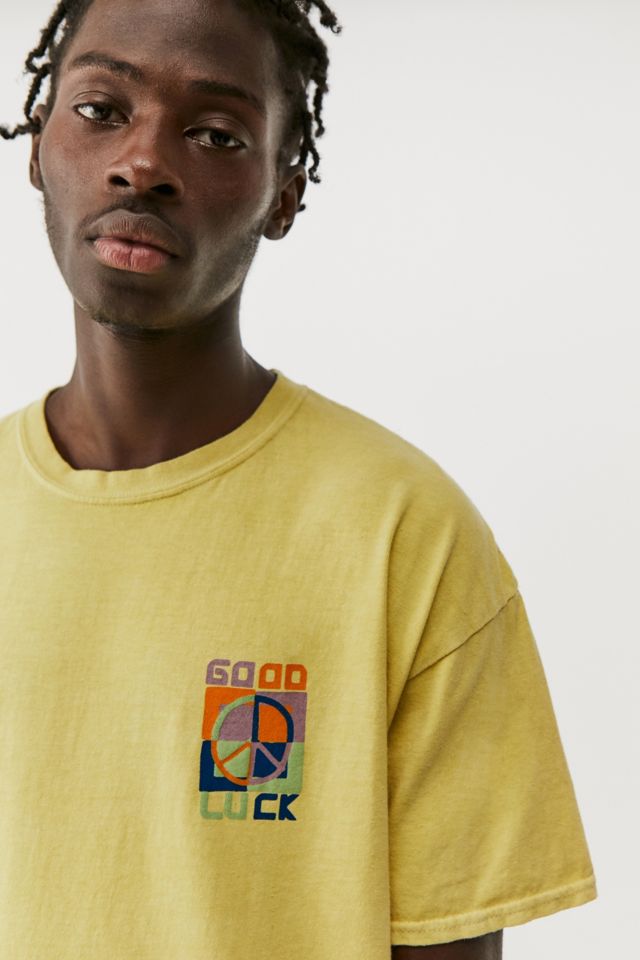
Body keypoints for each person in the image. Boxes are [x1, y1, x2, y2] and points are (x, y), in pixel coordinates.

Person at [0, 1, 597, 958]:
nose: (142, 163)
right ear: (38, 144)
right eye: (102, 110)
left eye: (215, 133)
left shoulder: (405, 536)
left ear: (284, 192)